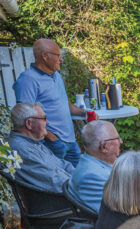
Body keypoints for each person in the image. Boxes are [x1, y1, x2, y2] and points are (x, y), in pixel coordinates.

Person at [13, 39, 85, 167]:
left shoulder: (56, 75)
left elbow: (63, 103)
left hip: (70, 141)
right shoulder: (27, 80)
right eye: (58, 56)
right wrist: (51, 137)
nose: (61, 60)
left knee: (78, 180)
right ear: (45, 56)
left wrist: (84, 113)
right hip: (52, 144)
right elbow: (25, 116)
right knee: (56, 183)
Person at [7, 102, 73, 194]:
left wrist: (85, 176)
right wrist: (87, 184)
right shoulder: (21, 149)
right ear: (29, 123)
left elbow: (63, 165)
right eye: (44, 118)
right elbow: (55, 182)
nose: (47, 122)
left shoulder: (32, 143)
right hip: (61, 203)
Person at [66, 121, 121, 213]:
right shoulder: (91, 177)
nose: (121, 141)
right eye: (117, 138)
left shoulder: (92, 161)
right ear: (104, 146)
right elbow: (118, 213)